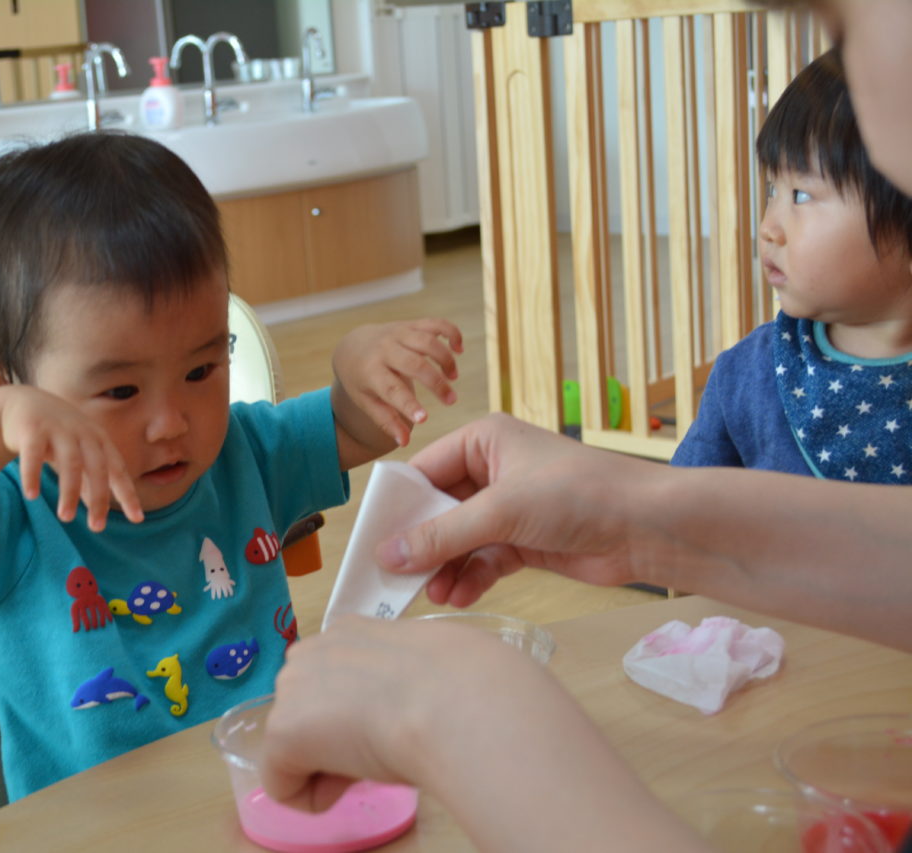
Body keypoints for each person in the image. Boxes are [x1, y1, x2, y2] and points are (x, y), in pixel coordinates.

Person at [259, 2, 912, 847]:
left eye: (846, 23)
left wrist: (474, 727)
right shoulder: (756, 369)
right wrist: (639, 518)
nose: (769, 222)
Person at [0, 131, 463, 801]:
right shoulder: (15, 513)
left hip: (268, 798)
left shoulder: (245, 454)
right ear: (4, 382)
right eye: (122, 390)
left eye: (201, 370)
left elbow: (356, 426)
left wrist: (357, 363)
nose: (171, 422)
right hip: (100, 832)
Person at [672, 49, 912, 481]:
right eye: (772, 190)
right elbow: (682, 504)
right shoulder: (749, 374)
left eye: (801, 195)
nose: (768, 228)